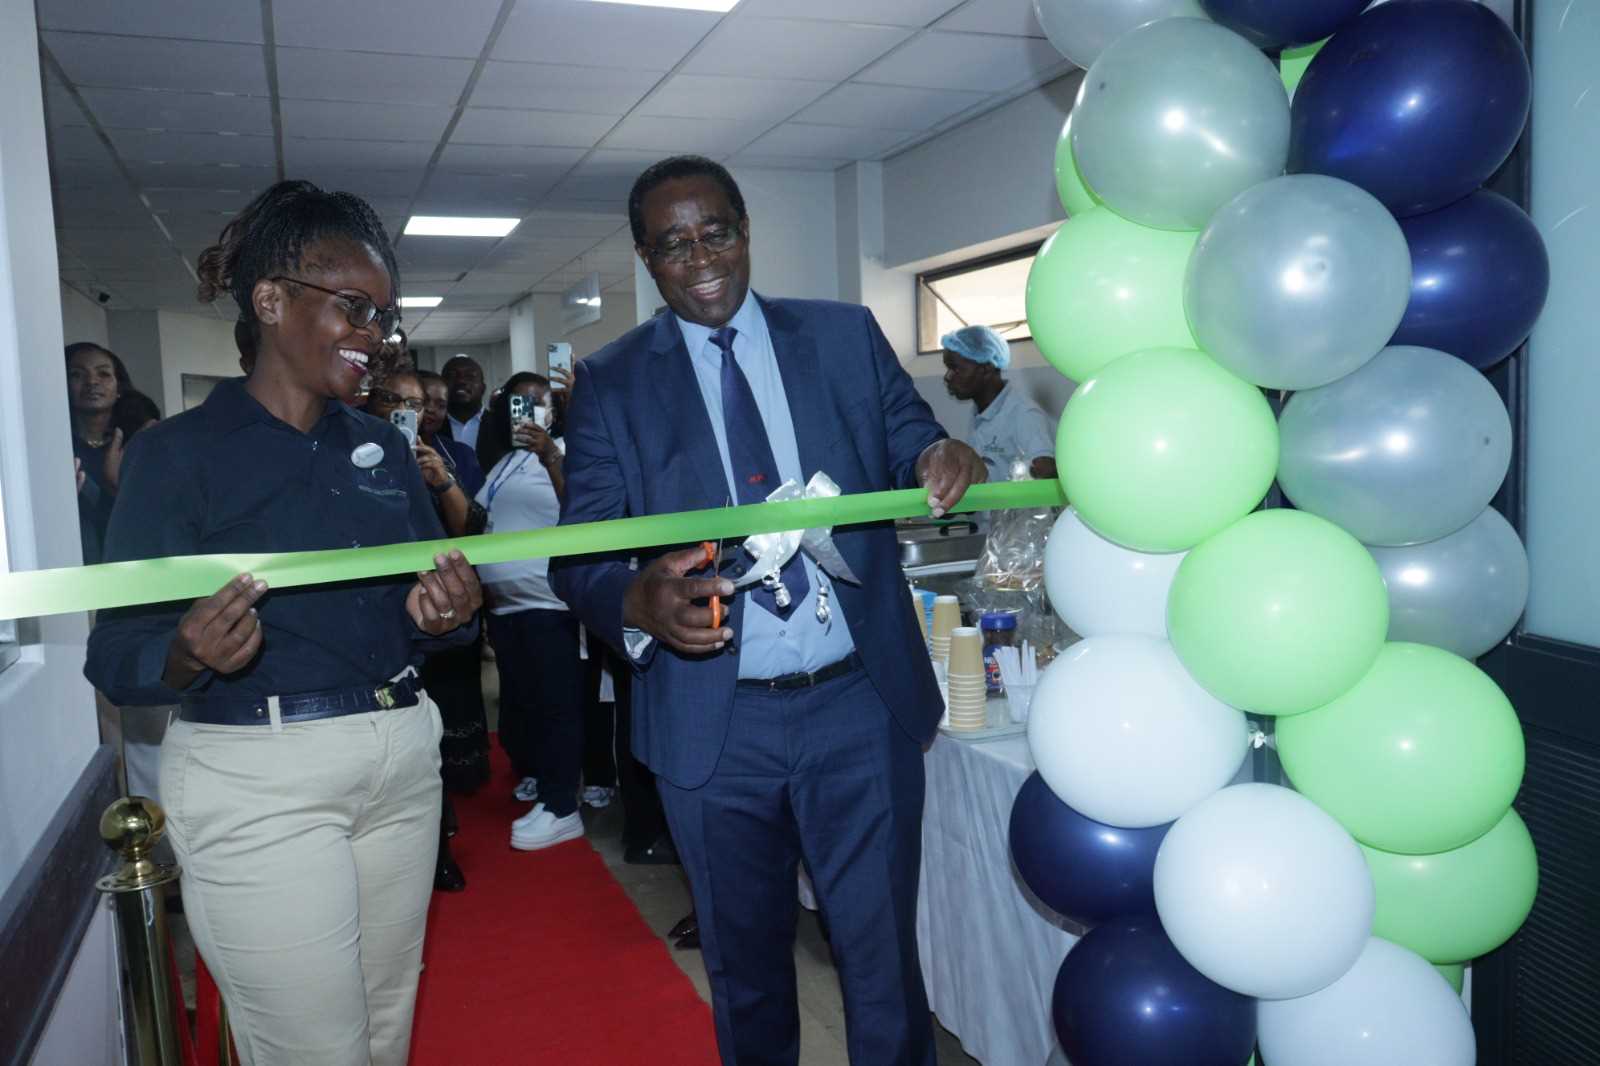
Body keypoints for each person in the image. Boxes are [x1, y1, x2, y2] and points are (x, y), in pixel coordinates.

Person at [550, 155, 984, 1066]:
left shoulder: (842, 335)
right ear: (646, 259)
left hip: (858, 705)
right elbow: (579, 553)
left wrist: (939, 454)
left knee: (882, 965)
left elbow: (911, 437)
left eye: (716, 233)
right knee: (745, 974)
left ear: (746, 232)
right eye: (673, 245)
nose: (700, 259)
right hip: (714, 725)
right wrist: (635, 598)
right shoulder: (612, 381)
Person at [84, 179, 482, 1066]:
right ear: (270, 301)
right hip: (260, 776)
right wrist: (184, 653)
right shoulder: (176, 455)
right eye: (354, 309)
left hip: (400, 758)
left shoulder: (385, 450)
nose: (375, 337)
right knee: (315, 1050)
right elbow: (114, 654)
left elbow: (426, 615)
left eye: (384, 317)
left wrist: (449, 615)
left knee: (383, 1030)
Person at [366, 368, 490, 892]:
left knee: (429, 742)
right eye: (392, 399)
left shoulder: (441, 458)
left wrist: (440, 481)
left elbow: (473, 529)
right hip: (374, 619)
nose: (405, 411)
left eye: (415, 403)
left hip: (437, 617)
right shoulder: (353, 455)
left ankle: (436, 848)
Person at [473, 373, 588, 851]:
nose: (525, 412)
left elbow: (580, 509)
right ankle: (542, 777)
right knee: (524, 702)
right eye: (517, 403)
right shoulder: (505, 463)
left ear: (553, 410)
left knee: (557, 704)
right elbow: (480, 519)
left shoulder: (566, 452)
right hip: (506, 609)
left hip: (548, 605)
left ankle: (563, 806)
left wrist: (549, 456)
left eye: (536, 403)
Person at [941, 324, 1058, 482]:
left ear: (986, 368)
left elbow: (1046, 471)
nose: (947, 377)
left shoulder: (1024, 414)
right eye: (948, 368)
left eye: (956, 369)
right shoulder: (981, 412)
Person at [65, 342, 133, 564]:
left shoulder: (137, 444)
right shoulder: (53, 449)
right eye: (77, 374)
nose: (92, 382)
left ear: (119, 387)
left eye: (103, 374)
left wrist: (115, 487)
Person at [440, 354, 486, 450]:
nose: (461, 381)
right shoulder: (430, 427)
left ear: (483, 388)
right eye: (452, 376)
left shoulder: (501, 425)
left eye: (470, 376)